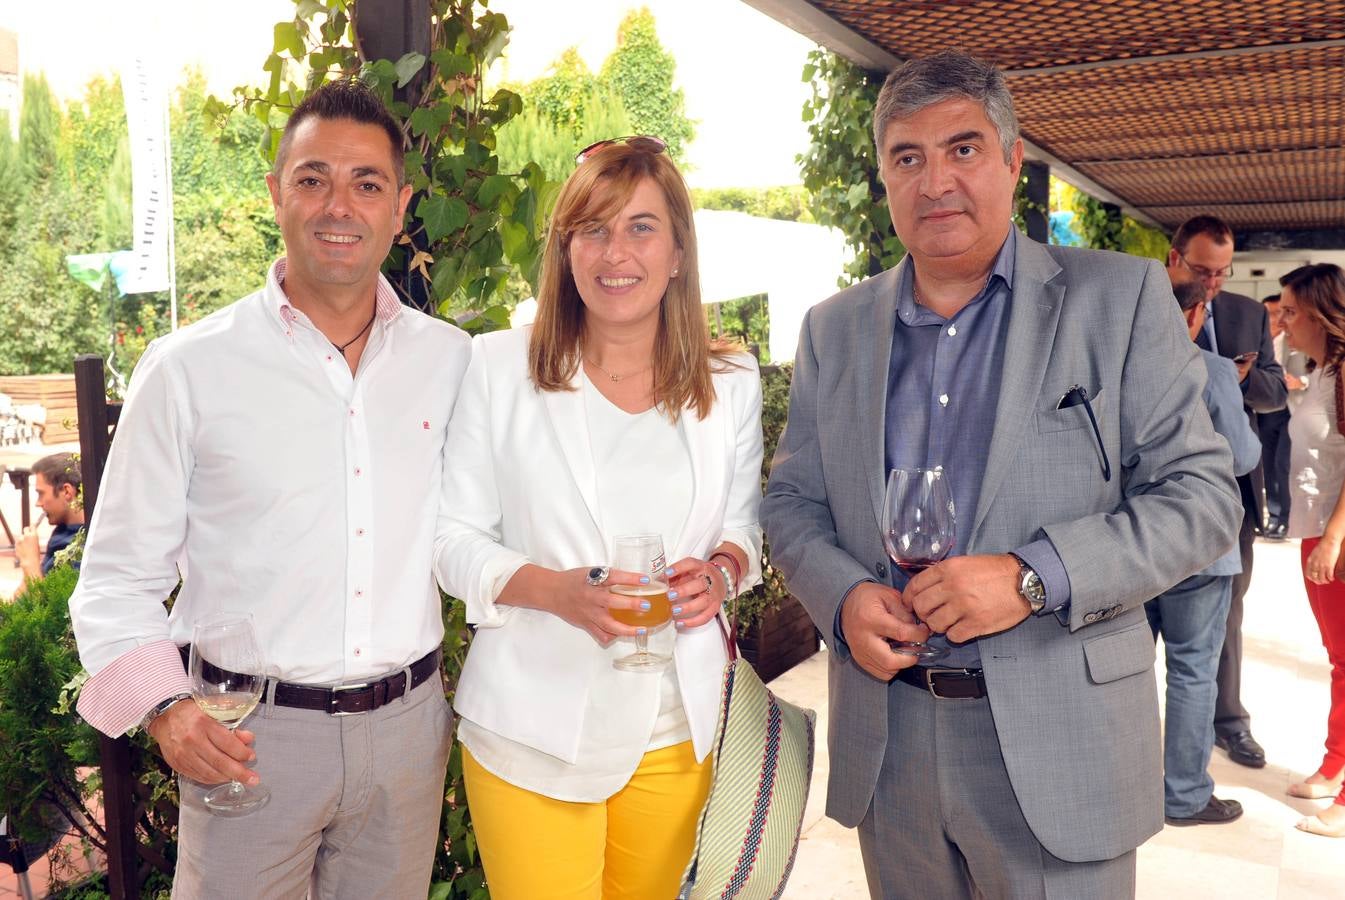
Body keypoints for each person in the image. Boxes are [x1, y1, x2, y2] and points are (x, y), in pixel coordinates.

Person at [761, 50, 1241, 898]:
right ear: (884, 178)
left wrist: (1031, 576)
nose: (935, 181)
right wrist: (841, 596)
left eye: (963, 149)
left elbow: (1202, 499)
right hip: (891, 748)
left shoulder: (1117, 300)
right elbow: (792, 501)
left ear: (1013, 162)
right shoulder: (832, 330)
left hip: (1064, 742)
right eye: (907, 157)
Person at [68, 79, 471, 897]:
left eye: (367, 184)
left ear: (399, 207)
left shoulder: (451, 362)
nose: (339, 206)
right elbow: (114, 578)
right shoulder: (188, 369)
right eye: (312, 179)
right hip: (248, 736)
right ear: (275, 193)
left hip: (407, 735)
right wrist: (166, 708)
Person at [432, 135, 762, 899]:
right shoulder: (496, 368)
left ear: (677, 253)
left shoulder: (732, 381)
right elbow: (450, 540)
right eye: (592, 229)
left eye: (641, 227)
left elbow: (742, 532)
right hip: (531, 733)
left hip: (677, 732)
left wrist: (720, 573)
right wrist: (556, 592)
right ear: (565, 249)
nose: (616, 253)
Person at [1167, 215, 1287, 769]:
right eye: (1203, 271)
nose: (1213, 283)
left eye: (1222, 272)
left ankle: (1228, 723)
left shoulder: (1247, 313)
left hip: (1231, 496)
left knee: (1225, 616)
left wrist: (1236, 379)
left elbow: (1274, 391)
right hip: (1149, 497)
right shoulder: (1143, 305)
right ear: (1176, 258)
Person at [1145, 275, 1260, 826]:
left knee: (1127, 669)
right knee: (1192, 670)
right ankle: (1185, 795)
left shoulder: (1123, 364)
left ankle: (1127, 784)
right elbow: (1243, 456)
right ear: (1195, 315)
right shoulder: (1211, 369)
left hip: (1136, 542)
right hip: (1202, 543)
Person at [1278, 263, 1345, 837]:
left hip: (1336, 537)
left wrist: (1333, 538)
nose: (1283, 320)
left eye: (1291, 311)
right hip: (1315, 531)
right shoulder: (1319, 370)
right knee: (1340, 658)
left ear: (1322, 315)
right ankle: (1334, 764)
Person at [1259, 292, 1310, 539]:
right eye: (1268, 314)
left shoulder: (1296, 342)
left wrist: (1301, 381)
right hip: (1266, 410)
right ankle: (1274, 518)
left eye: (1278, 313)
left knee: (1283, 464)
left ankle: (1286, 519)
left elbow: (1316, 370)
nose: (1274, 319)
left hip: (1291, 410)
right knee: (1267, 464)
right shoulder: (1258, 342)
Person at [14, 452, 85, 593]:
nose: (38, 503)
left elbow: (51, 605)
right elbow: (20, 600)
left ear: (66, 492)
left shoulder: (82, 548)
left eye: (41, 493)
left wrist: (30, 563)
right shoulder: (61, 532)